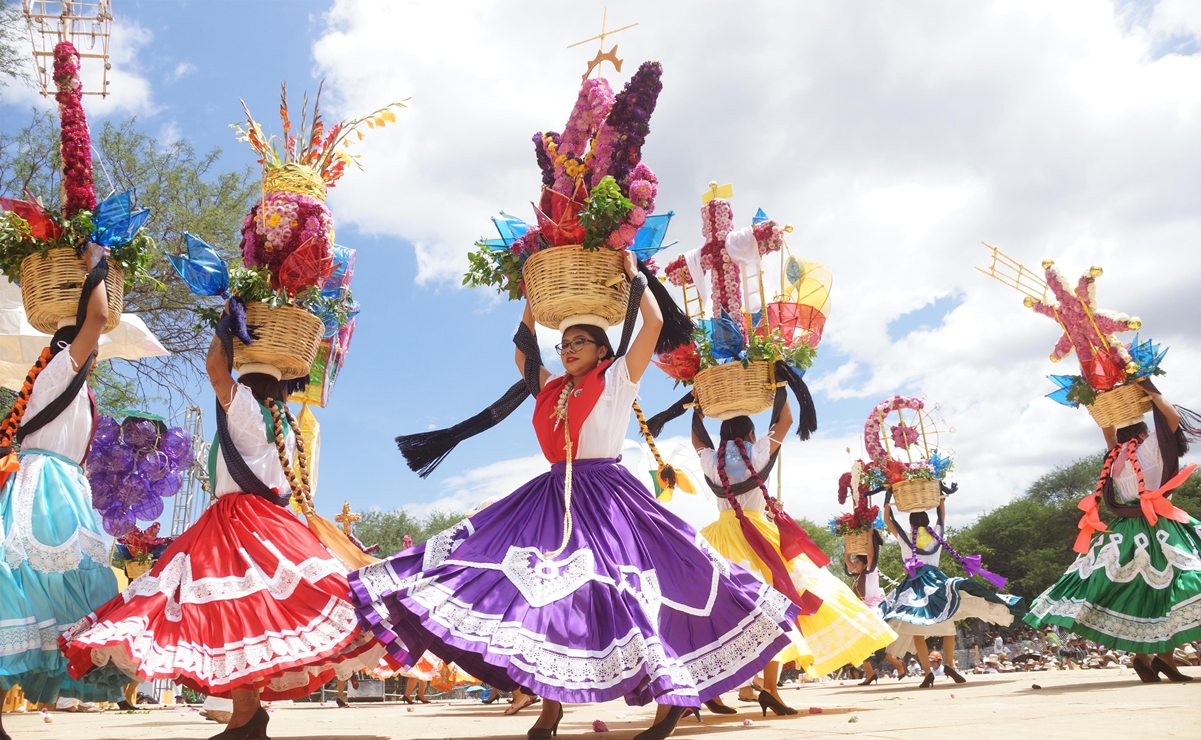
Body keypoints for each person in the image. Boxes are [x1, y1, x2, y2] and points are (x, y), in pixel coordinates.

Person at [350, 253, 803, 740]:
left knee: (642, 592)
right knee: (543, 594)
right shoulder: (552, 388)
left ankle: (671, 698)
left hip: (608, 498)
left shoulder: (619, 378)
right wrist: (530, 298)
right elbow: (523, 357)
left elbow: (652, 323)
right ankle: (550, 708)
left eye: (578, 342)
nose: (567, 350)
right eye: (563, 343)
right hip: (554, 496)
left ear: (601, 348)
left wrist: (635, 277)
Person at [60, 307, 384, 739]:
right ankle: (248, 717)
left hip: (237, 521)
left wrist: (228, 322)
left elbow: (215, 368)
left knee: (231, 612)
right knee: (251, 613)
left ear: (247, 385)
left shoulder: (245, 408)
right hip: (271, 521)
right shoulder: (285, 422)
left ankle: (246, 717)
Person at [0, 243, 129, 739]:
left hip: (56, 484)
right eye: (89, 347)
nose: (95, 355)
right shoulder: (62, 367)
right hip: (48, 488)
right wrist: (97, 266)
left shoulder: (59, 376)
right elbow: (95, 316)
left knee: (35, 592)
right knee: (40, 586)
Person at [1024, 383, 1201, 683]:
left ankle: (1151, 657)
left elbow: (1108, 432)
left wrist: (1099, 399)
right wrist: (1148, 388)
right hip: (1159, 526)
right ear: (1143, 434)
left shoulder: (1115, 456)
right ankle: (1160, 657)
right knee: (1173, 587)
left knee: (1143, 592)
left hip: (1127, 529)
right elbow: (1172, 419)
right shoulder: (1149, 448)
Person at [879, 501, 1015, 687]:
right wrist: (940, 499)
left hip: (915, 588)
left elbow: (888, 519)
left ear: (910, 524)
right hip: (937, 584)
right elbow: (941, 515)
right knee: (947, 624)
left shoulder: (905, 538)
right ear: (927, 522)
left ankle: (928, 673)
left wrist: (888, 501)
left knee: (918, 632)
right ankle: (950, 664)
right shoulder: (936, 535)